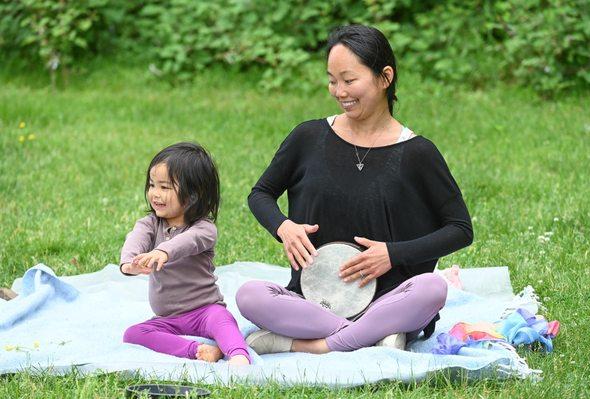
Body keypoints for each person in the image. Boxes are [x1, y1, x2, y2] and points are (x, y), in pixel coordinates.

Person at [235, 25, 473, 355]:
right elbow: (260, 193)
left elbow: (460, 230)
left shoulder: (418, 153)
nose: (338, 91)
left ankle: (308, 345)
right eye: (332, 80)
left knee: (432, 289)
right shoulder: (308, 137)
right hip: (314, 301)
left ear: (385, 77)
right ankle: (371, 336)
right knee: (249, 295)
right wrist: (283, 226)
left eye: (349, 80)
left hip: (391, 298)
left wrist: (393, 254)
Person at [120, 142, 250, 365]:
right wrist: (129, 264)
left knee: (224, 322)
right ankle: (198, 350)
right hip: (167, 319)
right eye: (152, 185)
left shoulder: (204, 228)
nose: (155, 194)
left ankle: (238, 355)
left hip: (205, 312)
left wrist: (163, 251)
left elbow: (187, 242)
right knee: (133, 334)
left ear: (193, 195)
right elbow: (136, 238)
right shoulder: (151, 223)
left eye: (165, 187)